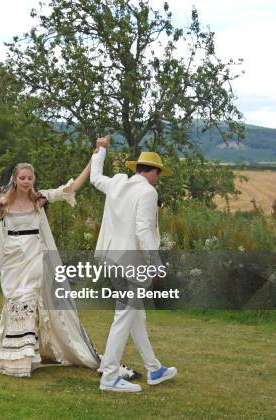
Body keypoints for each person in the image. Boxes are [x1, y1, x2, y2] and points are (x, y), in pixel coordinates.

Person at [0, 139, 138, 379]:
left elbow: (71, 188)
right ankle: (17, 358)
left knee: (29, 301)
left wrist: (95, 157)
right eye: (22, 178)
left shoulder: (39, 200)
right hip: (13, 263)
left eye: (30, 178)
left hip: (35, 260)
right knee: (17, 303)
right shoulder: (2, 205)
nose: (26, 182)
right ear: (15, 180)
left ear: (33, 180)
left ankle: (25, 359)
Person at [90, 138, 177, 392]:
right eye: (158, 173)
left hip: (111, 258)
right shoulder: (148, 192)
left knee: (135, 315)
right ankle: (108, 376)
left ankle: (154, 369)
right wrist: (156, 264)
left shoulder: (118, 183)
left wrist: (101, 150)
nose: (158, 178)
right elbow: (143, 230)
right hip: (132, 265)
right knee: (125, 316)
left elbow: (95, 177)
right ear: (153, 172)